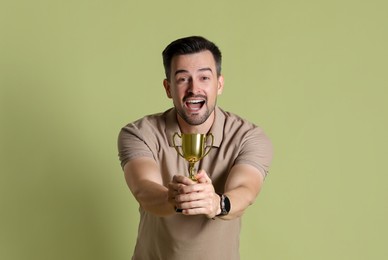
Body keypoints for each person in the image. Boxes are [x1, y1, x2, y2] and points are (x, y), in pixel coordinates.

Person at [117, 36, 273, 260]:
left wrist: (217, 203)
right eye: (183, 79)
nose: (194, 88)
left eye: (204, 77)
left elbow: (246, 190)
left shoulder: (248, 137)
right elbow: (143, 188)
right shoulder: (139, 133)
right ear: (168, 87)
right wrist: (175, 197)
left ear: (219, 84)